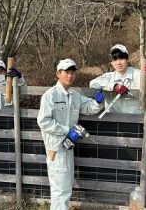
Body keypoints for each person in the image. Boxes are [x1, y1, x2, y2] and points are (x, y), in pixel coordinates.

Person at [37, 59, 104, 210]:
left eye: (73, 73)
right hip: (56, 149)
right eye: (66, 72)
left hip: (68, 146)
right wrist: (68, 130)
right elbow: (44, 121)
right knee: (60, 189)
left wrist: (99, 102)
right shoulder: (50, 96)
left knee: (66, 186)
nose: (70, 76)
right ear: (58, 74)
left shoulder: (74, 96)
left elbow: (89, 108)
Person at [89, 44, 146, 114]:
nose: (118, 63)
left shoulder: (139, 74)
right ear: (111, 62)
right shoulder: (108, 77)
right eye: (115, 59)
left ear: (127, 59)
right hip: (113, 121)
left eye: (121, 58)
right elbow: (93, 83)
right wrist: (114, 86)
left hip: (135, 121)